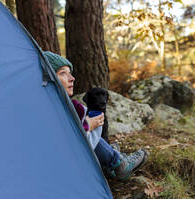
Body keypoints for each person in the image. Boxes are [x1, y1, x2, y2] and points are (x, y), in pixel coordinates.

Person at [43, 51, 147, 180]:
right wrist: (88, 125)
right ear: (49, 79)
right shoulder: (47, 108)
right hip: (62, 168)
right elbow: (66, 140)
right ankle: (118, 164)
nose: (72, 78)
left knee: (88, 130)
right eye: (63, 73)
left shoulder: (57, 104)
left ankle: (110, 158)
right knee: (86, 134)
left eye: (70, 73)